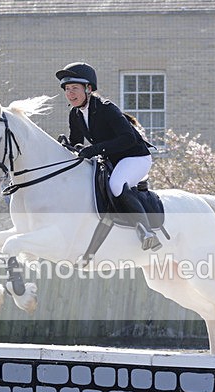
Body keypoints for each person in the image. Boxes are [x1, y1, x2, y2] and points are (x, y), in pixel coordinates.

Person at [55, 62, 161, 251]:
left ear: (88, 89)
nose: (70, 94)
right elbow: (77, 142)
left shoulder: (106, 108)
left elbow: (128, 139)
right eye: (67, 89)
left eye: (74, 89)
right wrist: (66, 145)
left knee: (116, 185)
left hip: (135, 157)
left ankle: (147, 232)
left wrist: (94, 149)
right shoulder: (75, 113)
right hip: (111, 160)